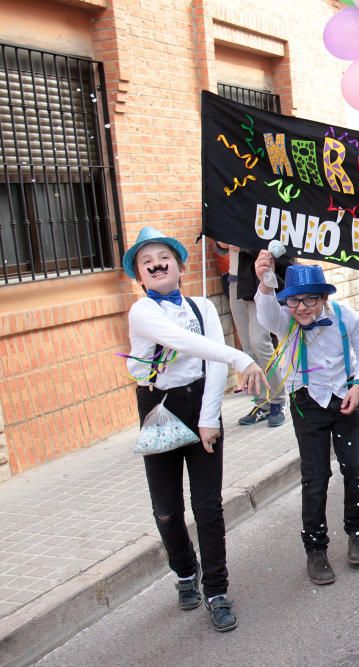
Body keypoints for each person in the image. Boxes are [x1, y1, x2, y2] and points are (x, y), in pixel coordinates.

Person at [123, 227, 267, 632]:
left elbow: (213, 365)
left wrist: (208, 419)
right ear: (139, 274)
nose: (154, 262)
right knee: (167, 510)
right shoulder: (143, 312)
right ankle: (186, 572)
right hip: (159, 408)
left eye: (162, 255)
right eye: (145, 259)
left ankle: (217, 590)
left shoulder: (203, 306)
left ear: (180, 266)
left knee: (208, 507)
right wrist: (242, 357)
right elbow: (183, 343)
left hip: (200, 403)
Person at [253, 255, 359, 586]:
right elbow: (266, 315)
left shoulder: (344, 317)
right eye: (294, 300)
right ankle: (316, 549)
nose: (302, 308)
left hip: (344, 398)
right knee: (315, 476)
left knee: (356, 467)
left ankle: (356, 533)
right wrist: (265, 280)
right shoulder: (285, 320)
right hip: (306, 402)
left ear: (324, 297)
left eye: (310, 299)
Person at [215, 242, 291, 428]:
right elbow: (219, 246)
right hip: (235, 279)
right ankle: (262, 403)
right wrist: (221, 243)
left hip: (257, 278)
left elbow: (277, 243)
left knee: (260, 342)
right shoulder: (229, 212)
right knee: (248, 347)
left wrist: (245, 246)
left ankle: (279, 400)